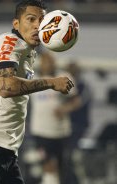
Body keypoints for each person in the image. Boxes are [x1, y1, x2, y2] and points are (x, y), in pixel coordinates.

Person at [0, 1, 75, 184]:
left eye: (42, 20)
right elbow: (6, 87)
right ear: (16, 24)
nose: (37, 25)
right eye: (31, 19)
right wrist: (51, 83)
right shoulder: (11, 41)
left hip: (6, 152)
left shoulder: (28, 51)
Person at [29, 52, 81, 184]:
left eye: (51, 62)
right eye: (45, 62)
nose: (48, 65)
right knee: (48, 165)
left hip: (61, 132)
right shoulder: (34, 79)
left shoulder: (63, 78)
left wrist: (64, 109)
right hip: (41, 132)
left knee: (62, 168)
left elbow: (76, 101)